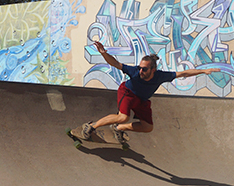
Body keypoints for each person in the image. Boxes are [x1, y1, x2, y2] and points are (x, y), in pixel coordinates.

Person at [82, 40, 221, 144]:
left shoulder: (161, 76)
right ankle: (91, 126)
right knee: (123, 116)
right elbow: (115, 63)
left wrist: (203, 71)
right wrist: (103, 53)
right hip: (128, 92)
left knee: (147, 127)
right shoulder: (135, 71)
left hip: (141, 100)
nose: (141, 71)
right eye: (140, 68)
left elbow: (183, 73)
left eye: (145, 69)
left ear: (153, 70)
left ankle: (118, 128)